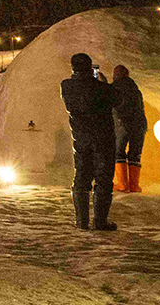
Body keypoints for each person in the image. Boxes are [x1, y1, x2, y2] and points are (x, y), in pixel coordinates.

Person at [60, 53, 118, 230]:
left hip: (81, 138)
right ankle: (100, 221)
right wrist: (105, 83)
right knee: (103, 179)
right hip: (103, 138)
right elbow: (117, 100)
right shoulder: (101, 88)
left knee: (82, 177)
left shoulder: (66, 86)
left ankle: (81, 222)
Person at [110, 64, 147, 194]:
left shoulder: (115, 87)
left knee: (118, 151)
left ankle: (122, 184)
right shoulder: (135, 89)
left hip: (124, 123)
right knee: (135, 153)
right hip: (140, 124)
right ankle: (134, 185)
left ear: (116, 75)